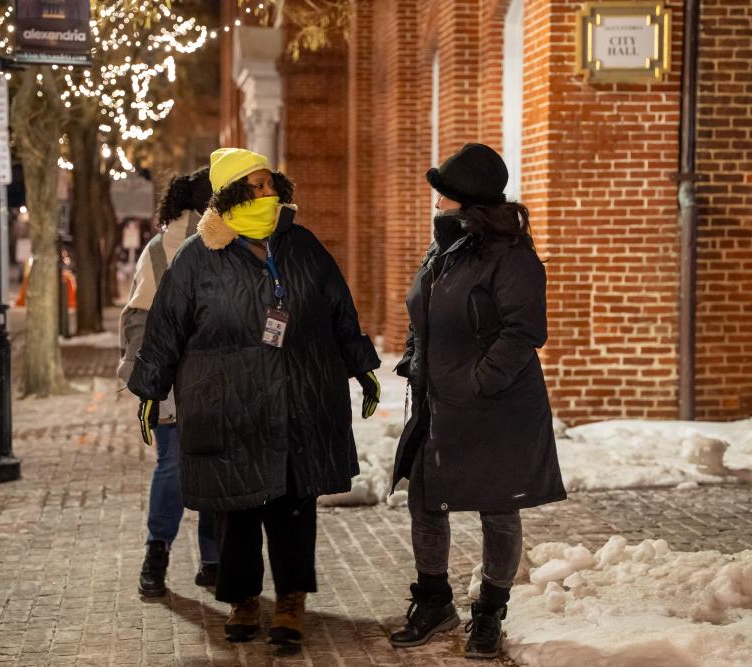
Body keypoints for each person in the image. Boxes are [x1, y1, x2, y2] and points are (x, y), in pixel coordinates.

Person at [127, 148, 381, 646]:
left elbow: (339, 311)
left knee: (292, 505)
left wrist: (363, 367)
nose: (267, 193)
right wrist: (149, 389)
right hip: (229, 402)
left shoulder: (302, 246)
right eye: (255, 186)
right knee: (236, 508)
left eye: (270, 184)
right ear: (230, 195)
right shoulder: (198, 257)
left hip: (296, 397)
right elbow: (166, 328)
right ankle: (243, 599)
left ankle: (290, 602)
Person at [387, 143, 566, 659]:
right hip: (439, 399)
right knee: (425, 498)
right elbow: (422, 308)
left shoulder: (512, 257)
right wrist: (414, 355)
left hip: (495, 406)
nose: (435, 203)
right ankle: (434, 600)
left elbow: (523, 330)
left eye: (442, 195)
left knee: (497, 507)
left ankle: (489, 610)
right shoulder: (444, 249)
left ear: (465, 203)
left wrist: (479, 382)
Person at [118, 167, 221, 597]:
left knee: (217, 467)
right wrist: (149, 382)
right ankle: (156, 554)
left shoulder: (229, 246)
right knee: (174, 468)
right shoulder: (159, 252)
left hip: (219, 382)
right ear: (203, 206)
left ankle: (214, 561)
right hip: (175, 385)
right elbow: (138, 319)